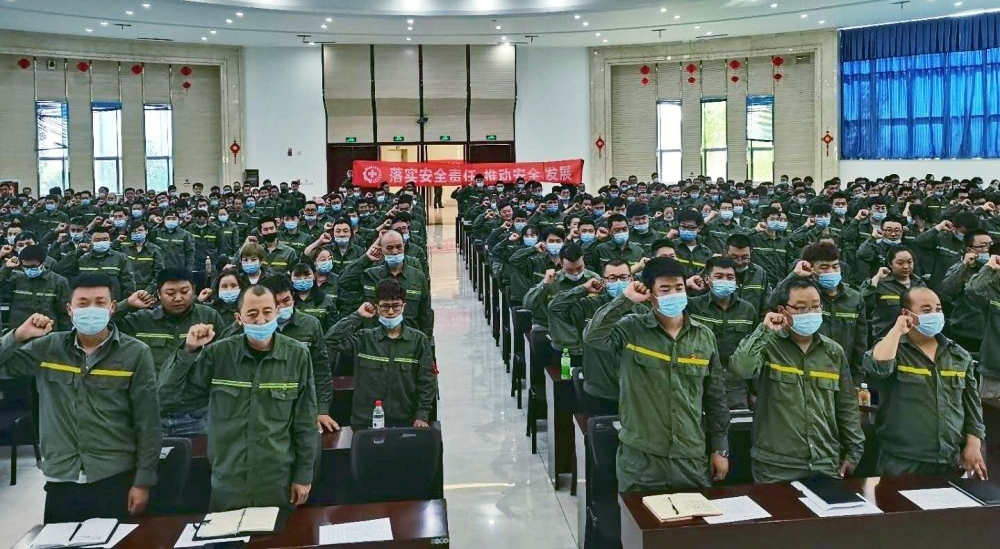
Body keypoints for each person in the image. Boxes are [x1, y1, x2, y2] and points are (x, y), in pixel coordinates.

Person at [0, 274, 161, 522]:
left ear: (112, 307)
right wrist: (18, 335)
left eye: (99, 302)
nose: (91, 309)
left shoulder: (136, 353)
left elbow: (148, 421)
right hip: (62, 477)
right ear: (69, 310)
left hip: (115, 476)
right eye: (83, 303)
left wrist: (143, 482)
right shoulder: (48, 347)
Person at [158, 284, 319, 511]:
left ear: (277, 312)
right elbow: (167, 397)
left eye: (267, 312)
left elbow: (305, 420)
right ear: (239, 318)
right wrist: (189, 351)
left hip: (277, 479)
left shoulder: (297, 355)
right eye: (252, 314)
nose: (260, 320)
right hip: (228, 479)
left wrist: (303, 475)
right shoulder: (218, 354)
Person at [583, 257, 730, 492]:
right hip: (641, 460)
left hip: (690, 457)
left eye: (679, 288)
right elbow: (593, 336)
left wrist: (720, 448)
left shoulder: (704, 336)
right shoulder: (632, 329)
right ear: (650, 294)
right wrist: (624, 300)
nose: (674, 294)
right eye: (665, 289)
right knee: (638, 516)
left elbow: (716, 397)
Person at [731, 278, 865, 483]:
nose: (810, 313)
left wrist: (854, 451)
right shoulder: (768, 345)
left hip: (825, 462)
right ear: (782, 310)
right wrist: (764, 330)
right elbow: (741, 368)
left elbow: (846, 406)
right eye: (801, 308)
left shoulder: (833, 352)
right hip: (776, 466)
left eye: (816, 306)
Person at [864, 287, 987, 479]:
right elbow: (878, 367)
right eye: (926, 310)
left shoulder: (958, 355)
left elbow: (972, 406)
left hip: (949, 459)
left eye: (938, 309)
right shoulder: (893, 348)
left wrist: (974, 444)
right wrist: (897, 330)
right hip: (901, 460)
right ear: (906, 314)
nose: (935, 314)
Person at [116, 269, 227, 436]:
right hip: (152, 414)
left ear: (193, 289)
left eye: (184, 291)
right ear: (159, 294)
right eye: (170, 293)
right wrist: (126, 305)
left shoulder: (208, 316)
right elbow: (100, 331)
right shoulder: (141, 320)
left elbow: (225, 357)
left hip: (196, 414)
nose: (178, 298)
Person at [325, 279, 437, 431]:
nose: (390, 312)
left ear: (403, 307)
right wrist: (357, 315)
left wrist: (421, 415)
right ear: (377, 308)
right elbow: (330, 340)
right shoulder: (363, 339)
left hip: (405, 421)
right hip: (365, 422)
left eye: (396, 306)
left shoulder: (418, 341)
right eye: (385, 307)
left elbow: (427, 382)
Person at [548, 260, 642, 415]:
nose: (619, 282)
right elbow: (555, 308)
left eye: (623, 277)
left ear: (631, 279)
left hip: (636, 392)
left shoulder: (641, 309)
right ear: (604, 282)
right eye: (612, 278)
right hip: (600, 392)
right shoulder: (589, 305)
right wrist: (583, 289)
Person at [784, 243, 869, 382]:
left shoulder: (854, 299)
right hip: (806, 374)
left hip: (841, 375)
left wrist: (858, 380)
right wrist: (794, 276)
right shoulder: (801, 297)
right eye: (824, 267)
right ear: (811, 269)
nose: (831, 271)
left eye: (835, 266)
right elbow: (774, 303)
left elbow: (860, 344)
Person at [686, 257, 759, 409]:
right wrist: (686, 285)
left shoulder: (747, 310)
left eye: (730, 277)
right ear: (707, 279)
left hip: (736, 387)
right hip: (699, 383)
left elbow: (754, 350)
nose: (725, 281)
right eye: (719, 276)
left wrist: (754, 389)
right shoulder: (693, 306)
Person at [0, 244, 72, 331]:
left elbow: (64, 314)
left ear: (43, 263)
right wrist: (6, 268)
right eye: (26, 267)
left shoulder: (59, 282)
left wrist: (63, 335)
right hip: (19, 332)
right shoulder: (16, 279)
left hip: (47, 333)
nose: (29, 270)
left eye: (33, 266)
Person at [863, 247, 926, 339]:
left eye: (909, 262)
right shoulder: (881, 284)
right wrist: (877, 277)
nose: (906, 266)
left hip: (913, 339)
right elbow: (864, 303)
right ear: (890, 264)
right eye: (900, 263)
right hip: (886, 338)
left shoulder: (920, 284)